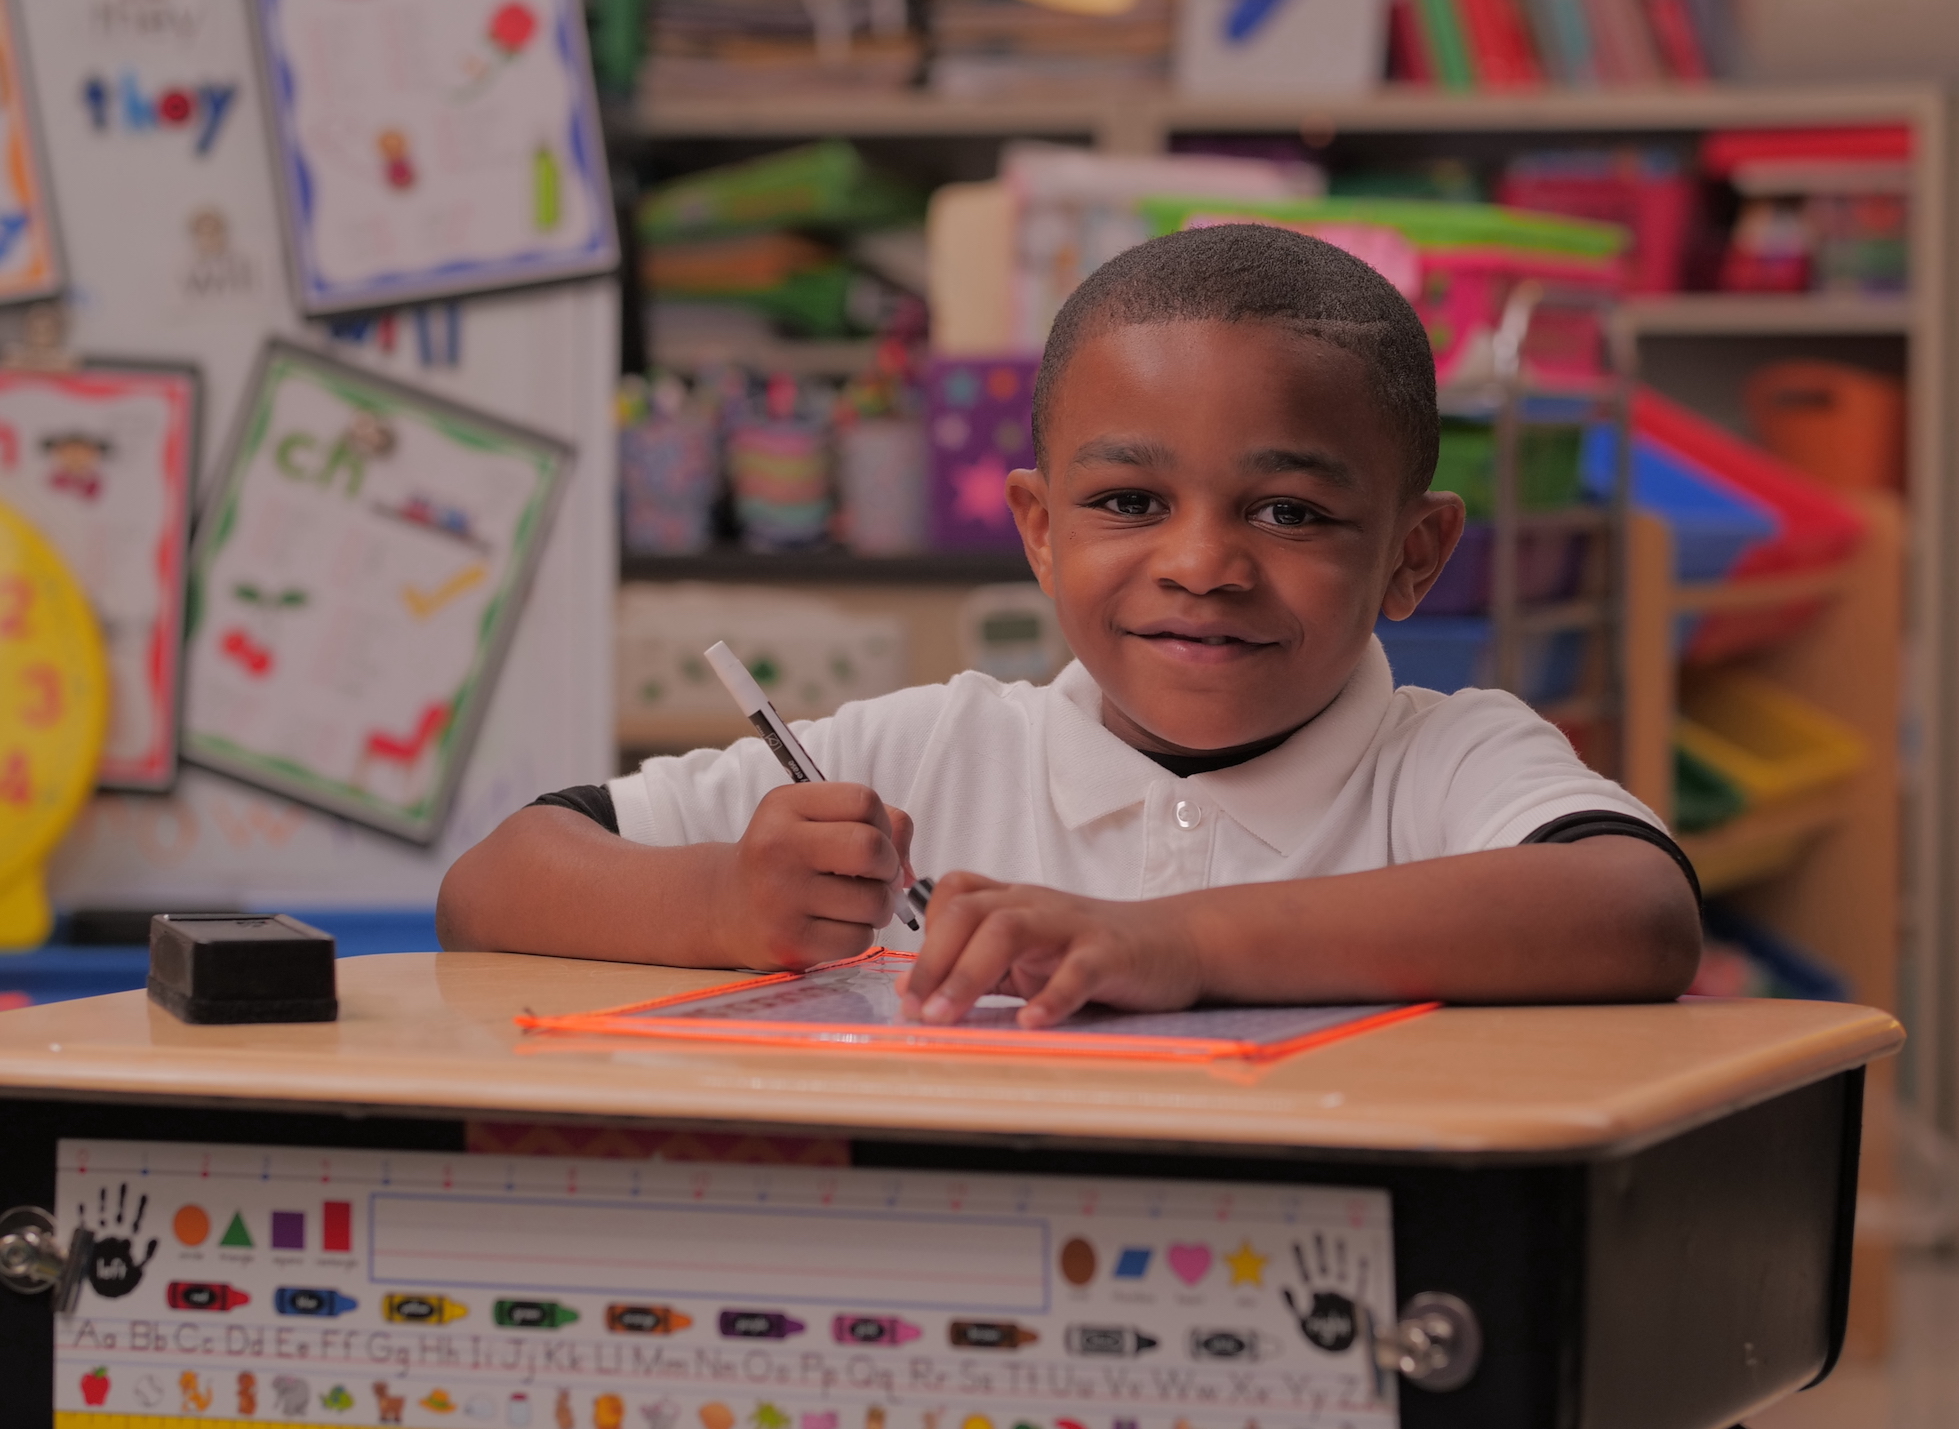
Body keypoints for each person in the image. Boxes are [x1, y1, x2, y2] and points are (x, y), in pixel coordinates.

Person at [439, 224, 1701, 1025]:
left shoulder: (1444, 762)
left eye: (1287, 510)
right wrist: (720, 900)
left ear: (1412, 555)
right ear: (1040, 531)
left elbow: (1634, 910)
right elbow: (491, 884)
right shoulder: (925, 754)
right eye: (1129, 501)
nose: (1202, 563)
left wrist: (1171, 944)